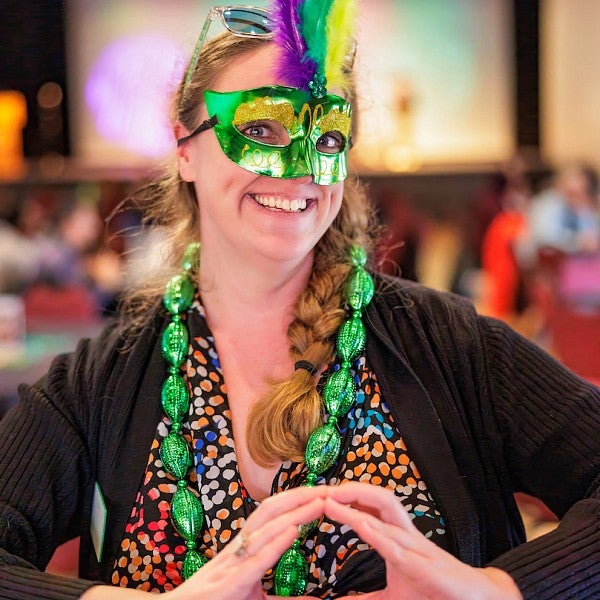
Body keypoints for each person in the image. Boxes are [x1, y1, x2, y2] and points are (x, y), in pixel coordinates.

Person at [0, 3, 598, 599]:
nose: (299, 171)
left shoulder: (451, 346)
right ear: (184, 147)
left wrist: (497, 589)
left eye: (327, 136)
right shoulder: (95, 388)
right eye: (259, 130)